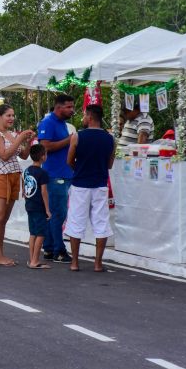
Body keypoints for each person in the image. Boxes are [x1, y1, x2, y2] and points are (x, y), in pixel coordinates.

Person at [66, 104, 116, 272]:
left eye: (84, 115)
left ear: (90, 117)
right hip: (100, 184)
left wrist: (79, 169)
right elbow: (110, 164)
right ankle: (98, 263)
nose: (83, 118)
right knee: (101, 223)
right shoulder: (110, 138)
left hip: (80, 184)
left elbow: (69, 161)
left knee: (76, 222)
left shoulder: (77, 136)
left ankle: (74, 262)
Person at [0, 104, 33, 266]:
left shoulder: (12, 134)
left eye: (13, 115)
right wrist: (20, 138)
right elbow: (4, 155)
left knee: (4, 219)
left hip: (13, 176)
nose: (11, 118)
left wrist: (28, 140)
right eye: (8, 115)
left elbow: (25, 155)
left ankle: (0, 253)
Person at [38, 94, 75, 264]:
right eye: (68, 107)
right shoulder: (48, 122)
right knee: (58, 213)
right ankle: (58, 250)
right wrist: (70, 140)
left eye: (72, 106)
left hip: (63, 173)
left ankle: (49, 248)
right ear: (58, 107)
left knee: (55, 213)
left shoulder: (62, 124)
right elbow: (44, 146)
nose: (72, 110)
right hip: (54, 175)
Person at [23, 144, 51, 269]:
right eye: (45, 153)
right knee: (41, 233)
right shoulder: (43, 173)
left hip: (29, 205)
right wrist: (47, 210)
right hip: (39, 207)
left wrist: (25, 194)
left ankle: (32, 259)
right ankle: (35, 261)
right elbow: (44, 192)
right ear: (42, 157)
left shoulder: (27, 170)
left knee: (33, 233)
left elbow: (23, 184)